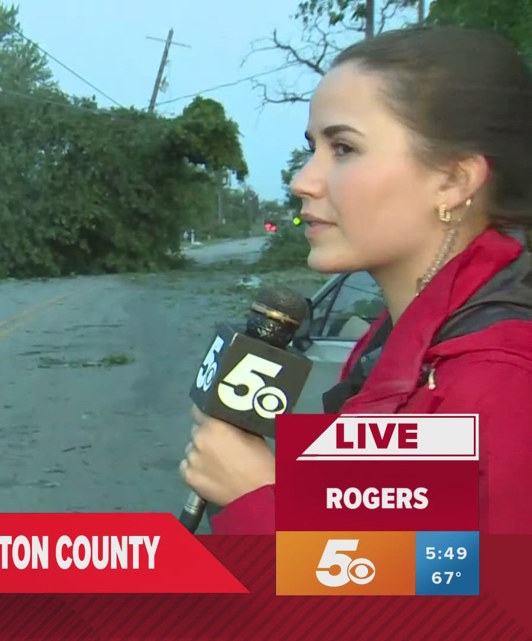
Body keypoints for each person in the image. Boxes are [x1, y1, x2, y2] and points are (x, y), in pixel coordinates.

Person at [180, 26, 532, 535]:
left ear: (455, 181)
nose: (303, 180)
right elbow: (399, 544)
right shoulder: (400, 340)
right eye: (313, 147)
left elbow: (468, 606)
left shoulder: (497, 384)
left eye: (343, 148)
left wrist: (258, 500)